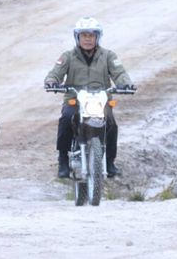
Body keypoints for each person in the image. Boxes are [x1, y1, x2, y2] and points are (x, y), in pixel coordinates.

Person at [44, 17, 134, 178]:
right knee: (66, 119)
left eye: (91, 35)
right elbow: (54, 73)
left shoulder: (108, 55)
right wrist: (52, 82)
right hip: (75, 99)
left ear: (97, 37)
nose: (87, 39)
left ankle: (109, 162)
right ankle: (63, 160)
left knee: (111, 124)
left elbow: (120, 73)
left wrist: (125, 84)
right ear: (77, 37)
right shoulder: (68, 56)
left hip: (100, 100)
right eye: (84, 35)